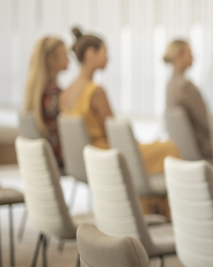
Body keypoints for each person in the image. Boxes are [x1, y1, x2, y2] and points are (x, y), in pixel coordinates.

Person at [60, 26, 180, 176]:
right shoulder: (95, 91)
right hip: (106, 156)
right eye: (105, 52)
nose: (108, 58)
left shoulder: (65, 93)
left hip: (88, 158)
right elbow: (114, 133)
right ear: (91, 53)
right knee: (169, 148)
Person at [23, 36, 69, 167]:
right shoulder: (56, 95)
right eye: (65, 55)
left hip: (42, 158)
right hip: (58, 158)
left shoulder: (36, 92)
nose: (69, 60)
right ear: (51, 60)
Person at [164, 39, 213, 160]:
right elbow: (207, 121)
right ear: (178, 56)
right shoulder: (186, 87)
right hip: (205, 147)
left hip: (182, 149)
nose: (193, 58)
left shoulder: (170, 84)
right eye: (190, 53)